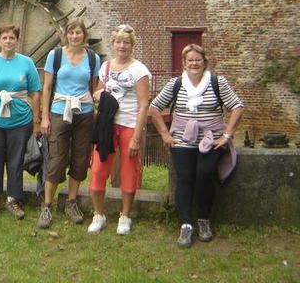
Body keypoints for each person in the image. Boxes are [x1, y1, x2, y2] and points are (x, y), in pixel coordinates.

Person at [148, 44, 244, 247]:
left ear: (204, 62)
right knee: (184, 178)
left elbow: (237, 106)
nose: (194, 63)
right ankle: (185, 224)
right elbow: (154, 108)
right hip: (182, 140)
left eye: (198, 60)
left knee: (205, 173)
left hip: (211, 140)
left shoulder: (218, 82)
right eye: (190, 60)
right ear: (184, 63)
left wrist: (226, 135)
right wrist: (165, 134)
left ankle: (204, 220)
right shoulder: (176, 84)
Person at [88, 24, 150, 235]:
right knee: (98, 169)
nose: (122, 46)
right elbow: (100, 89)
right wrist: (98, 94)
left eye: (126, 42)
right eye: (118, 42)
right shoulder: (105, 67)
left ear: (132, 45)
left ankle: (125, 216)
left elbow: (143, 104)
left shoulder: (139, 70)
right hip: (107, 124)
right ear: (113, 44)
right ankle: (99, 214)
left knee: (128, 170)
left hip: (129, 125)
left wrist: (136, 137)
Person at [37, 18, 100, 229]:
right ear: (66, 35)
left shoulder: (92, 58)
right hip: (59, 111)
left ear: (84, 35)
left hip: (83, 111)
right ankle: (47, 204)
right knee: (56, 158)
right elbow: (46, 88)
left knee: (81, 158)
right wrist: (44, 117)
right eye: (71, 32)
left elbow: (94, 87)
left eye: (78, 33)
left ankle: (72, 202)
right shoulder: (55, 56)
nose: (75, 36)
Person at [0, 23, 41, 220]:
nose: (8, 41)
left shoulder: (27, 63)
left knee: (16, 161)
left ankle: (13, 199)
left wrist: (37, 121)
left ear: (17, 41)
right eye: (4, 38)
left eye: (12, 38)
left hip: (20, 121)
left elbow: (35, 94)